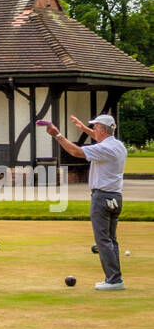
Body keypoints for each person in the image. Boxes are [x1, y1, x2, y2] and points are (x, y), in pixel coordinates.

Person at [44, 113, 127, 290]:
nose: (94, 130)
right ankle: (116, 277)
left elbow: (75, 151)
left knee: (103, 240)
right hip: (115, 197)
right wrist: (84, 129)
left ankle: (113, 280)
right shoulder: (118, 145)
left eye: (95, 127)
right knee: (111, 239)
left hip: (102, 198)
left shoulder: (105, 149)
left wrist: (57, 135)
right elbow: (102, 138)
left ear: (101, 129)